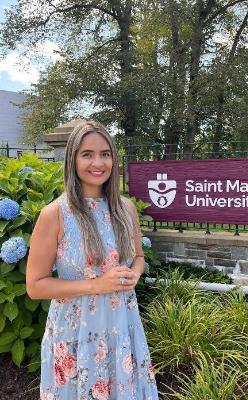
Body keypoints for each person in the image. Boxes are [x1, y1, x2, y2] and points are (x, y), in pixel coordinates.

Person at [26, 120, 159, 400]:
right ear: (72, 159)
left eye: (105, 154)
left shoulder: (126, 209)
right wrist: (97, 285)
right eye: (87, 154)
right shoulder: (55, 214)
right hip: (75, 336)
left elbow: (138, 257)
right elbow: (35, 286)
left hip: (121, 327)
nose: (98, 162)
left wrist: (135, 272)